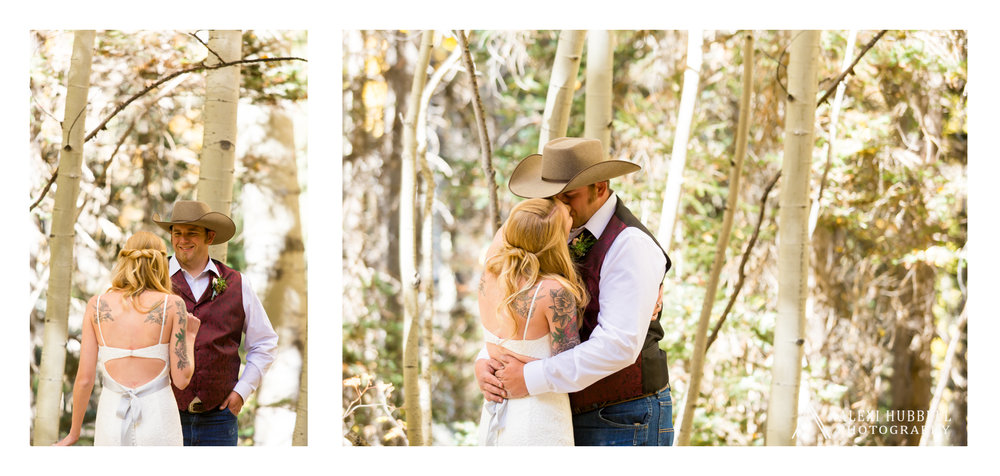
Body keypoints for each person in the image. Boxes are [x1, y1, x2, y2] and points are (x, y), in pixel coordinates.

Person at [476, 137, 673, 446]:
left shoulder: (629, 245)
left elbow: (619, 345)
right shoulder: (542, 227)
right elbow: (508, 303)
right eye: (553, 195)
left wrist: (528, 378)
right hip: (554, 411)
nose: (560, 205)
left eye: (569, 195)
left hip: (620, 416)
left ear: (601, 187)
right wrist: (487, 362)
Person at [55, 231, 201, 446]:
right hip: (159, 419)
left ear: (124, 260)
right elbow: (182, 380)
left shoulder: (97, 306)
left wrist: (73, 434)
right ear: (161, 263)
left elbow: (85, 380)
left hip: (111, 419)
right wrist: (189, 335)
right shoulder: (172, 304)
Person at [152, 200, 278, 446]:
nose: (182, 240)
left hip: (219, 421)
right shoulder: (154, 278)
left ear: (210, 237)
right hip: (163, 414)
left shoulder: (237, 283)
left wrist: (242, 392)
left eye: (192, 233)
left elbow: (265, 343)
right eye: (177, 233)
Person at [476, 198, 589, 445]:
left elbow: (496, 345)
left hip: (495, 415)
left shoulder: (490, 275)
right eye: (566, 217)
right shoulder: (554, 292)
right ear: (556, 240)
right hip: (540, 420)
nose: (571, 214)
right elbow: (570, 367)